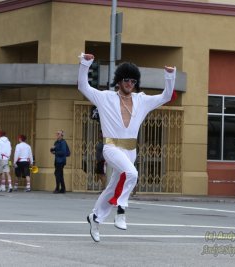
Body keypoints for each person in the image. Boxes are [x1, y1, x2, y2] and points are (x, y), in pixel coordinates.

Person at [78, 53, 176, 242]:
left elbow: (166, 96)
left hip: (130, 150)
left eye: (133, 80)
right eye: (126, 80)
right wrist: (85, 63)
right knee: (132, 174)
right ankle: (121, 209)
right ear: (119, 81)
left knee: (112, 187)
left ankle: (95, 218)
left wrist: (170, 76)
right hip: (111, 147)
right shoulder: (105, 97)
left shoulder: (142, 100)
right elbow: (83, 86)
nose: (129, 83)